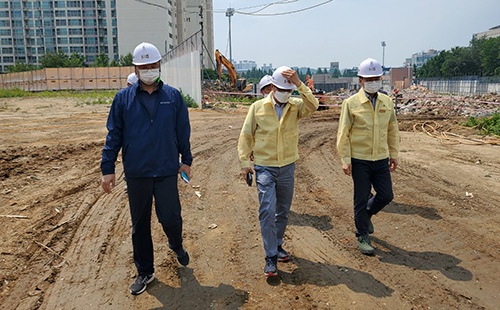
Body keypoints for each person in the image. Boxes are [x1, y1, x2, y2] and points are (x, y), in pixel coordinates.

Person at [100, 42, 192, 295]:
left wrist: (187, 160)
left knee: (171, 217)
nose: (149, 70)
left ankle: (176, 244)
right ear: (136, 69)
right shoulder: (123, 99)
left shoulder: (173, 97)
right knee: (139, 224)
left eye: (152, 65)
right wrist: (108, 168)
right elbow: (113, 135)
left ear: (159, 65)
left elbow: (183, 131)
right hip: (137, 172)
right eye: (144, 67)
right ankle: (145, 271)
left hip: (165, 170)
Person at [238, 66, 319, 277]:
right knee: (267, 209)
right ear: (272, 87)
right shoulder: (257, 108)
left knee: (282, 210)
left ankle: (278, 243)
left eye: (289, 90)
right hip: (265, 166)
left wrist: (300, 84)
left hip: (287, 167)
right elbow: (246, 136)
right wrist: (245, 163)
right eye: (282, 89)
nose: (285, 94)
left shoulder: (296, 106)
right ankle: (270, 257)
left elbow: (314, 105)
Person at [336, 58, 400, 256]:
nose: (373, 81)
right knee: (361, 198)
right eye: (369, 78)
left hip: (380, 158)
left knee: (386, 195)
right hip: (360, 159)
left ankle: (367, 215)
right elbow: (343, 132)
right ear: (361, 80)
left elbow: (392, 129)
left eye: (376, 78)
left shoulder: (386, 102)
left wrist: (394, 153)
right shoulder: (351, 103)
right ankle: (362, 234)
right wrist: (345, 159)